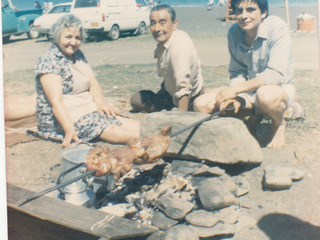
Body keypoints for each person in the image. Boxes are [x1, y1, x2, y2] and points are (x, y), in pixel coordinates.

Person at [194, 0, 296, 149]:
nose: (243, 15)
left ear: (263, 13)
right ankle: (247, 122)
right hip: (249, 92)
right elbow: (237, 72)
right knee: (201, 104)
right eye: (239, 10)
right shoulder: (234, 33)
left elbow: (275, 75)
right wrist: (235, 97)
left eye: (250, 10)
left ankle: (278, 123)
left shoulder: (277, 27)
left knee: (265, 96)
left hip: (277, 90)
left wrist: (236, 90)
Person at [32, 14, 140, 148]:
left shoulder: (78, 54)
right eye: (68, 37)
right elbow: (56, 102)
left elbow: (93, 83)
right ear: (57, 36)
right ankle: (150, 140)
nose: (73, 42)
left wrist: (101, 105)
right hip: (63, 119)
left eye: (77, 38)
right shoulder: (50, 60)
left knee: (122, 121)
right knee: (108, 129)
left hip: (86, 108)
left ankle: (156, 135)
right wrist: (69, 129)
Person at [130, 5, 204, 112]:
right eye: (153, 23)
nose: (157, 28)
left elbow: (183, 88)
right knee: (137, 98)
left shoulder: (179, 47)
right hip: (169, 91)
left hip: (187, 99)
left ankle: (166, 110)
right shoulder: (166, 41)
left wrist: (181, 118)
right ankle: (163, 106)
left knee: (137, 101)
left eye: (162, 23)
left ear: (174, 24)